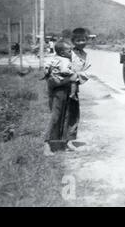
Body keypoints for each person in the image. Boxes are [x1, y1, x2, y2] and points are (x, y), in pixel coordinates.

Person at [43, 28, 91, 156]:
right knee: (56, 115)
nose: (81, 42)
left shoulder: (84, 55)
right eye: (78, 40)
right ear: (73, 41)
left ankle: (68, 142)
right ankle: (47, 144)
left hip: (74, 87)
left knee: (73, 115)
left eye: (84, 40)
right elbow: (56, 68)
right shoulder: (66, 51)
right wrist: (69, 78)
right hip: (60, 87)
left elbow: (85, 72)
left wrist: (76, 78)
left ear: (87, 40)